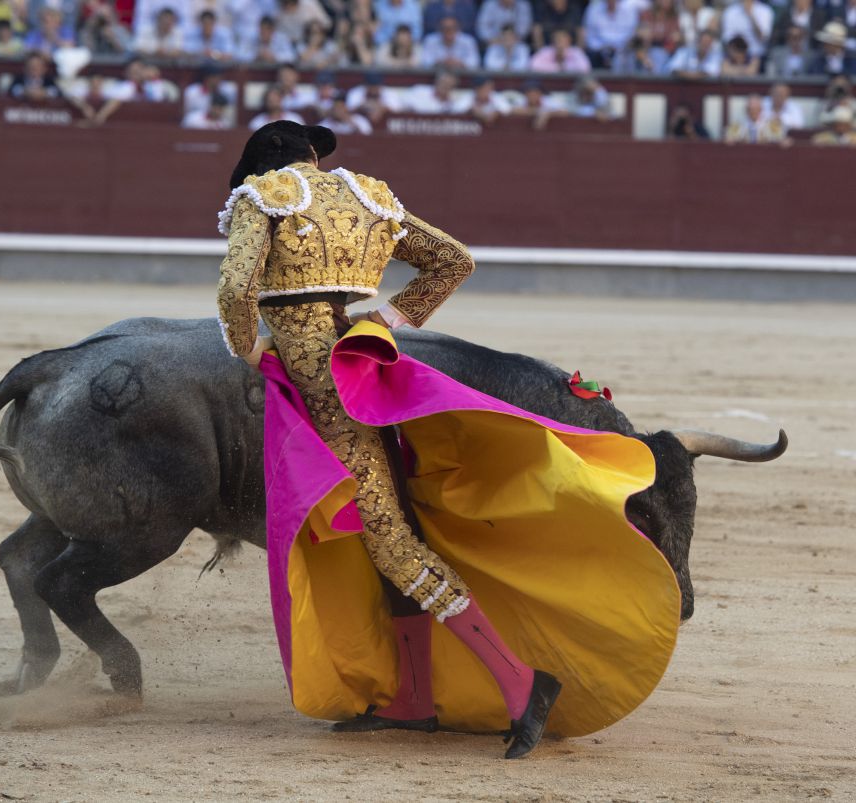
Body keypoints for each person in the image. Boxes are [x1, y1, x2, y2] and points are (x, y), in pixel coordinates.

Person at [216, 120, 679, 760]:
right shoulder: (367, 197)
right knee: (392, 527)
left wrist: (249, 349)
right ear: (315, 155)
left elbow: (236, 287)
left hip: (319, 391)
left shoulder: (260, 196)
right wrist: (385, 319)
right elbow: (454, 261)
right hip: (365, 369)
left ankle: (522, 683)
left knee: (392, 543)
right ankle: (410, 699)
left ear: (258, 165)